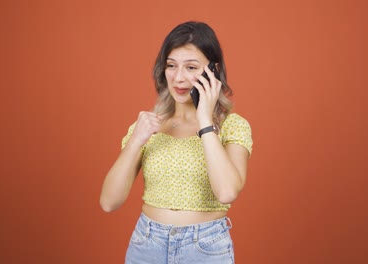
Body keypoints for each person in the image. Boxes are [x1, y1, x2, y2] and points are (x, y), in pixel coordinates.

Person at [100, 21, 253, 264]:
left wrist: (205, 120)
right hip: (146, 245)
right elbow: (109, 202)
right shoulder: (148, 126)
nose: (178, 77)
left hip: (205, 250)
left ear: (212, 70)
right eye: (171, 65)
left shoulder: (232, 127)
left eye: (191, 67)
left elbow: (226, 192)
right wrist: (135, 142)